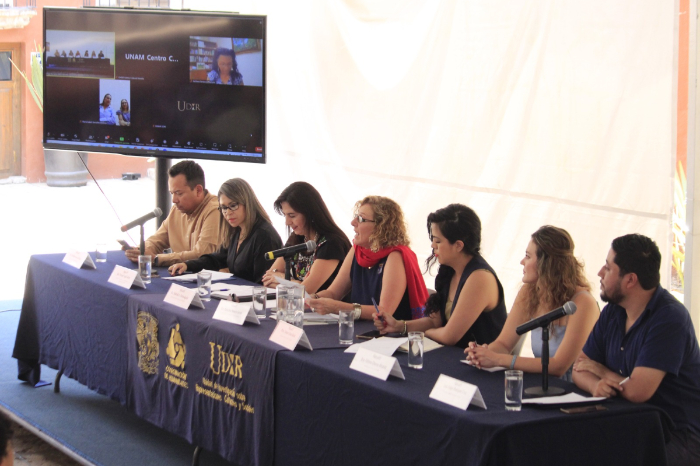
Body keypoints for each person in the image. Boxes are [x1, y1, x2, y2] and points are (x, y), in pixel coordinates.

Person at [573, 234, 700, 466]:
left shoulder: (670, 319)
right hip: (630, 423)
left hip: (677, 435)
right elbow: (579, 368)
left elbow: (637, 392)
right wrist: (595, 386)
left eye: (608, 268)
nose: (600, 272)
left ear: (630, 280)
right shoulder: (613, 311)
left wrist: (601, 371)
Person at [465, 226, 599, 381]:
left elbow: (558, 366)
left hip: (573, 388)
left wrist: (498, 359)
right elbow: (504, 344)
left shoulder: (583, 302)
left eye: (528, 256)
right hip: (540, 383)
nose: (522, 262)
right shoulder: (529, 291)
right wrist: (483, 353)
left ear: (546, 263)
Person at [373, 204, 506, 347]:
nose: (432, 245)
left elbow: (449, 336)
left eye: (437, 241)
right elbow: (435, 322)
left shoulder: (480, 278)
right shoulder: (450, 270)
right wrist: (399, 326)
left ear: (458, 245)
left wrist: (424, 333)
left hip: (477, 359)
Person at [308, 196, 428, 322]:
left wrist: (337, 307)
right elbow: (333, 293)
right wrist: (312, 298)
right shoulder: (357, 250)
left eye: (361, 219)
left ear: (381, 226)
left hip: (389, 331)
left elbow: (385, 311)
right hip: (362, 328)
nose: (353, 222)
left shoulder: (395, 255)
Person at [169, 178, 282, 284]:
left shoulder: (264, 236)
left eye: (233, 205)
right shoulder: (236, 230)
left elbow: (263, 283)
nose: (228, 212)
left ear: (247, 203)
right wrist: (187, 265)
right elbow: (216, 259)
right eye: (223, 207)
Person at [124, 160, 222, 267]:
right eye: (172, 193)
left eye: (179, 193)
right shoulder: (177, 209)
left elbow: (202, 255)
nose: (174, 200)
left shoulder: (215, 210)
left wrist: (156, 259)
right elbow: (157, 240)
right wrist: (140, 250)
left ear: (198, 190)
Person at [261, 182, 351, 294]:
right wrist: (296, 284)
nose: (287, 222)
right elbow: (267, 281)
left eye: (292, 215)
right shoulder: (296, 237)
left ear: (310, 213)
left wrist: (283, 278)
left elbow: (306, 291)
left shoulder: (332, 244)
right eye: (285, 215)